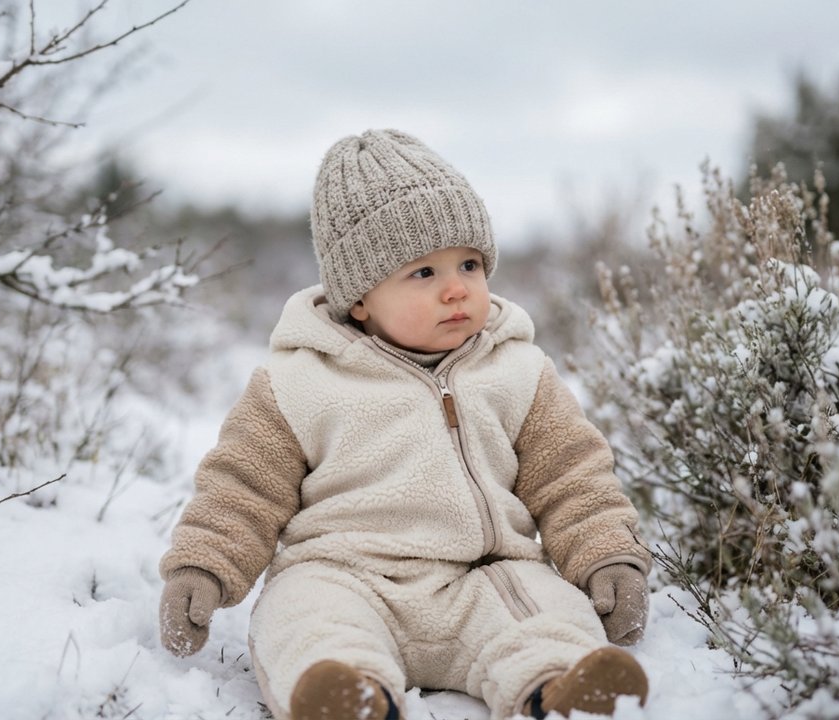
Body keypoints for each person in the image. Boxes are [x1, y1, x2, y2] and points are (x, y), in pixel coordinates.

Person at [159, 129, 652, 720]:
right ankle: (347, 695)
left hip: (486, 578)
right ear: (360, 298)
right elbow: (243, 486)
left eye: (469, 264)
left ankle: (559, 689)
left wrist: (605, 554)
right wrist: (204, 564)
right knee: (302, 617)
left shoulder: (518, 370)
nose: (456, 289)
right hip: (345, 576)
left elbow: (571, 474)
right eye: (423, 273)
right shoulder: (297, 381)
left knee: (548, 610)